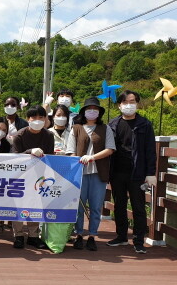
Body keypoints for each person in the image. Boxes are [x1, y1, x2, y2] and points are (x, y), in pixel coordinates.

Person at [107, 90, 156, 254]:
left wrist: (151, 172)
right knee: (119, 205)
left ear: (137, 103)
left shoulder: (145, 124)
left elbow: (150, 150)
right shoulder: (112, 124)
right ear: (119, 105)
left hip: (138, 173)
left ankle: (139, 240)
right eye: (126, 102)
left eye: (133, 101)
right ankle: (121, 237)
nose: (129, 105)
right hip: (117, 172)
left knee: (139, 207)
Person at [66, 97, 115, 251]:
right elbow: (70, 151)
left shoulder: (105, 128)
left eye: (95, 109)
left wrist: (93, 157)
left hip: (98, 173)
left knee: (95, 206)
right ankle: (79, 234)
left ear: (99, 112)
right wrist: (78, 159)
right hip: (80, 174)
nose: (92, 111)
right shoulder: (76, 128)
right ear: (84, 112)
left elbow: (110, 149)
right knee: (79, 207)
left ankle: (92, 235)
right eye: (89, 109)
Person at [10, 105, 54, 249]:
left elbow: (50, 156)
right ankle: (18, 235)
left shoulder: (48, 135)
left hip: (39, 176)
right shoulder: (19, 135)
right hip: (21, 176)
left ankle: (34, 235)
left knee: (35, 204)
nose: (37, 120)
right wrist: (30, 151)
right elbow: (14, 157)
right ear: (28, 119)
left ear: (45, 119)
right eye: (33, 117)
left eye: (41, 117)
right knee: (18, 205)